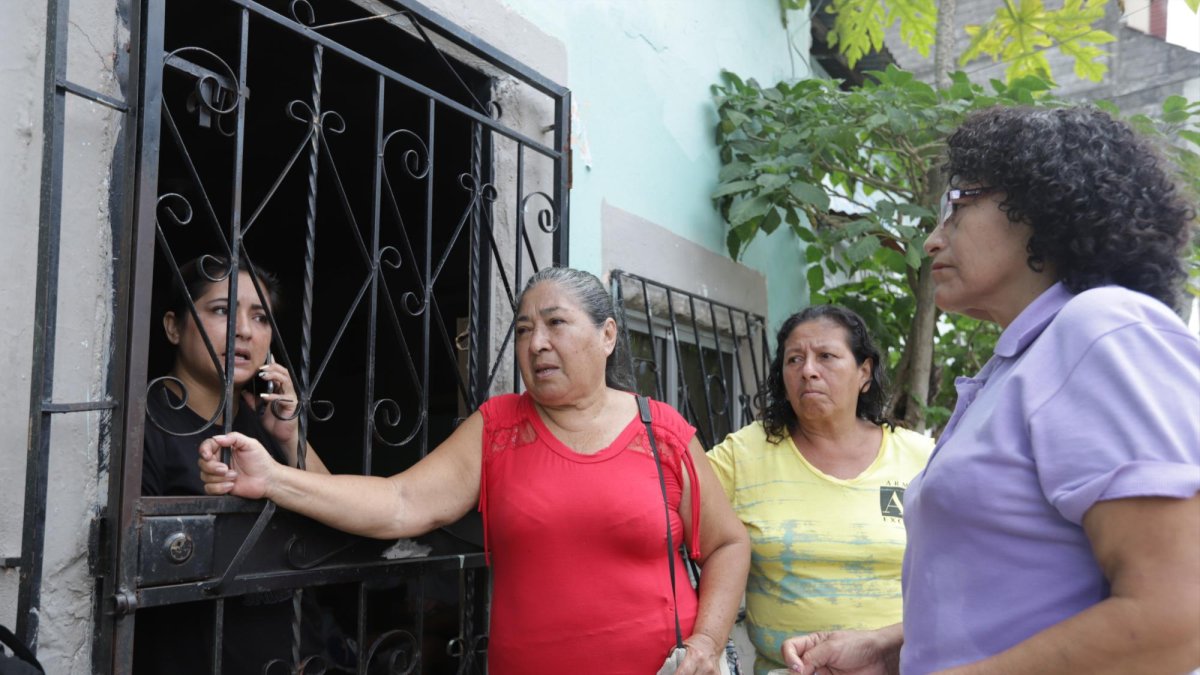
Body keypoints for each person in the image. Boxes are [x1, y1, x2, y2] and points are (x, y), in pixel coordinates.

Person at [782, 105, 1200, 674]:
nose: (932, 242)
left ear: (1039, 207)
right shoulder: (1021, 365)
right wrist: (892, 648)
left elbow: (1177, 619)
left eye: (956, 208)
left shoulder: (1102, 329)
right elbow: (1027, 595)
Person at [196, 266, 752, 674]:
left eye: (556, 323)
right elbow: (400, 503)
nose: (536, 344)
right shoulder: (498, 428)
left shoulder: (663, 433)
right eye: (526, 328)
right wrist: (271, 477)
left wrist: (705, 643)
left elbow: (728, 544)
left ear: (607, 336)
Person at [706, 305, 932, 675]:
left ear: (864, 372)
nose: (808, 370)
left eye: (826, 356)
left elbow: (966, 576)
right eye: (794, 360)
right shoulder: (743, 455)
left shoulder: (920, 457)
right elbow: (667, 518)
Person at [136, 254, 332, 674]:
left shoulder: (263, 424)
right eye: (222, 310)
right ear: (173, 326)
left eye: (260, 317)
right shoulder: (146, 425)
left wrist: (291, 435)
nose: (244, 330)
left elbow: (336, 520)